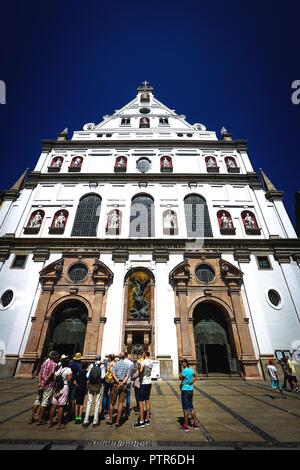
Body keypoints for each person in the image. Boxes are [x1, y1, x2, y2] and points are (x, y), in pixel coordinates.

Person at [29, 351, 59, 425]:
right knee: (44, 402)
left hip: (41, 384)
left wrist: (40, 383)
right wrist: (44, 383)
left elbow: (40, 372)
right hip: (48, 385)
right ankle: (40, 419)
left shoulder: (46, 362)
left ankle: (31, 418)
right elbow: (50, 375)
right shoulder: (54, 364)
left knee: (37, 400)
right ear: (55, 357)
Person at [49, 357, 73, 430]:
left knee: (53, 406)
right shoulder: (68, 369)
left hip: (56, 389)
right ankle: (59, 424)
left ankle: (50, 422)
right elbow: (69, 379)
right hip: (64, 388)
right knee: (61, 406)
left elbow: (54, 378)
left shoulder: (58, 370)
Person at [107, 353, 129, 428]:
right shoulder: (126, 365)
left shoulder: (115, 364)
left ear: (119, 357)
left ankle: (110, 420)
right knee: (120, 403)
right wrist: (122, 382)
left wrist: (118, 382)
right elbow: (127, 376)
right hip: (123, 385)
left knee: (112, 403)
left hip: (116, 385)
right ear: (125, 357)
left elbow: (113, 374)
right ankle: (117, 422)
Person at [83, 355, 105, 427]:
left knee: (89, 402)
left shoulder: (91, 365)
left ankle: (86, 420)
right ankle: (95, 421)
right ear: (100, 359)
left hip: (91, 385)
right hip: (98, 385)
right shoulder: (102, 366)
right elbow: (102, 376)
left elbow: (87, 375)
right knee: (97, 402)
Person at [179, 359, 200, 432]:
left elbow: (180, 377)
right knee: (191, 407)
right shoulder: (191, 370)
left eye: (182, 363)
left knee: (185, 408)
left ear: (185, 363)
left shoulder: (184, 371)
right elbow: (196, 376)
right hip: (191, 390)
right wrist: (191, 382)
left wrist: (181, 373)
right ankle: (195, 424)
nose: (182, 364)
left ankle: (185, 425)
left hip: (185, 390)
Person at [134, 351, 153, 428]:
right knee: (147, 400)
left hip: (144, 383)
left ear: (145, 355)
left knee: (141, 401)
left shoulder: (143, 362)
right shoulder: (151, 362)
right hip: (149, 382)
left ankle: (141, 420)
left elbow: (141, 371)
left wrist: (139, 366)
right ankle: (147, 419)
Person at [69, 353, 83, 420]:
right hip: (76, 383)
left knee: (69, 398)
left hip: (69, 382)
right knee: (74, 398)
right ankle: (72, 412)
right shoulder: (79, 365)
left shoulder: (70, 364)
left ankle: (69, 411)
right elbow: (80, 374)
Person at [102, 354, 116, 418]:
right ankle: (108, 410)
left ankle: (104, 410)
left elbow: (106, 372)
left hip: (107, 381)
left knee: (105, 395)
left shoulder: (108, 364)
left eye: (108, 358)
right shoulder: (115, 364)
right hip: (112, 381)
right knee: (111, 395)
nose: (108, 358)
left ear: (110, 358)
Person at [124, 352, 134, 419]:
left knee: (120, 397)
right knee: (128, 396)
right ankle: (127, 410)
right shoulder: (131, 363)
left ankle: (121, 408)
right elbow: (132, 372)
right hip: (129, 381)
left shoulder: (119, 362)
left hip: (121, 381)